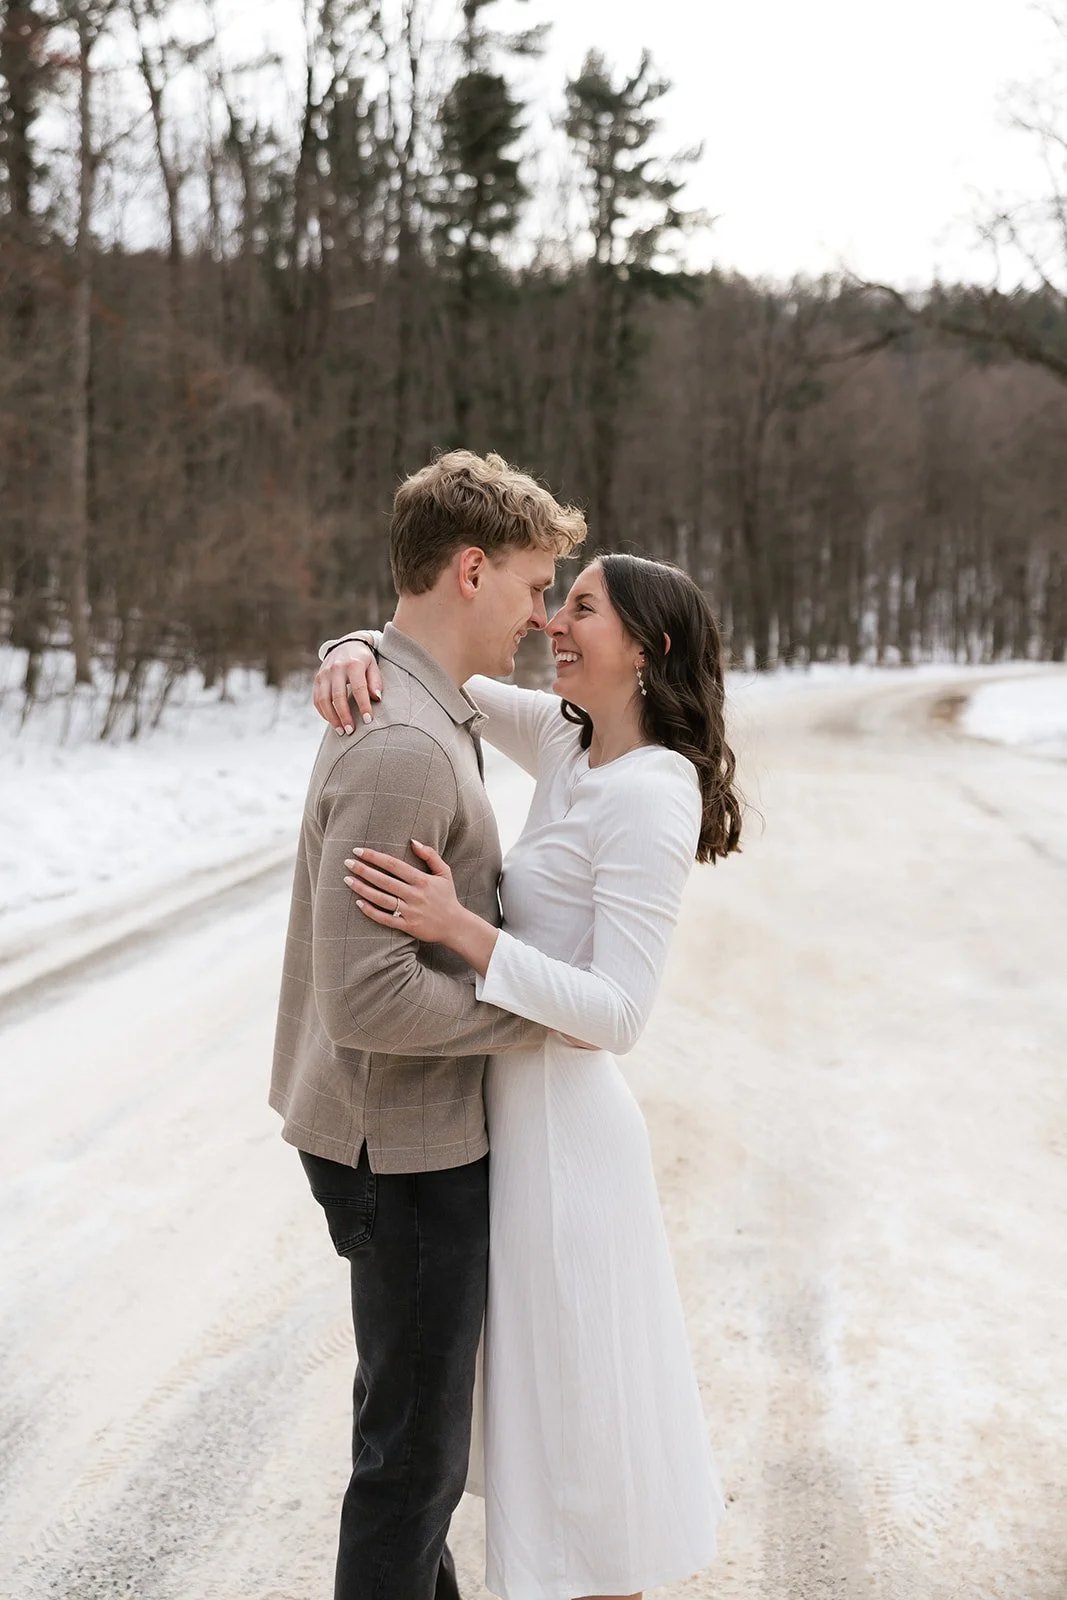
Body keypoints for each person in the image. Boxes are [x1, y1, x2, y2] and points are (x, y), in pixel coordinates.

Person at [314, 548, 742, 1600]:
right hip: (505, 1139)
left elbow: (617, 1013)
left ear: (650, 648)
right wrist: (351, 647)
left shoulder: (651, 792)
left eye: (582, 609)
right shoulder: (567, 739)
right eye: (556, 604)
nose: (555, 622)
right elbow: (436, 666)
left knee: (586, 1472)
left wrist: (466, 933)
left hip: (569, 1158)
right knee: (547, 1459)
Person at [270, 449, 587, 1600]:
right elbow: (368, 996)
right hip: (396, 1149)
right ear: (469, 569)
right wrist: (543, 1013)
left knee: (416, 1453)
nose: (540, 614)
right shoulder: (402, 740)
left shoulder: (407, 697)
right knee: (410, 1468)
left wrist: (346, 638)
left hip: (398, 1137)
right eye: (531, 584)